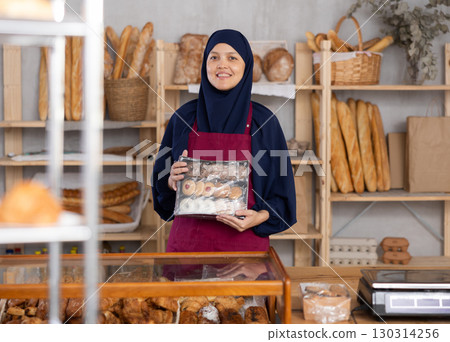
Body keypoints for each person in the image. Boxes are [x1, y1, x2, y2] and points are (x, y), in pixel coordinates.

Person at [151, 29, 296, 253]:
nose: (222, 65)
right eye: (214, 57)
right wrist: (171, 181)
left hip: (245, 250)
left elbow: (282, 195)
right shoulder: (183, 118)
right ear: (205, 65)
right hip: (188, 250)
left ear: (246, 65)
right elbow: (163, 193)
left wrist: (258, 217)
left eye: (232, 58)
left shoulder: (264, 122)